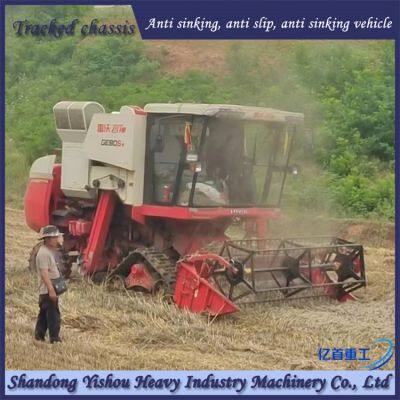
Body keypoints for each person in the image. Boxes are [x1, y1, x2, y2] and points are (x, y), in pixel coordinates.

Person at [34, 225, 63, 343]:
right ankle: (54, 339)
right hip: (47, 290)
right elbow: (44, 274)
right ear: (48, 239)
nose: (57, 239)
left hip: (47, 290)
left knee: (44, 314)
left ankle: (39, 335)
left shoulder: (47, 251)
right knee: (53, 315)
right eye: (55, 237)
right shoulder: (43, 254)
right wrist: (51, 290)